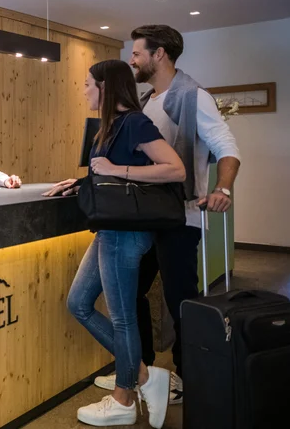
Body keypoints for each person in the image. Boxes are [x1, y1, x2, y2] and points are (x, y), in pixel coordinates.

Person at [92, 25, 241, 404]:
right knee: (133, 293)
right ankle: (136, 370)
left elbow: (226, 145)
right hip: (145, 217)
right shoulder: (147, 99)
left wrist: (222, 188)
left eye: (137, 53)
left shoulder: (193, 97)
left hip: (180, 217)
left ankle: (187, 380)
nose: (133, 60)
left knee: (180, 300)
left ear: (159, 54)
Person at [45, 60, 186, 428]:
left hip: (127, 232)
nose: (84, 91)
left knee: (123, 318)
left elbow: (174, 168)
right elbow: (108, 173)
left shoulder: (135, 122)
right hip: (110, 229)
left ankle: (124, 398)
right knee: (79, 303)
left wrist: (115, 170)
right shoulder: (108, 127)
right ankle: (143, 375)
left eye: (88, 84)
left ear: (105, 87)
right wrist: (81, 182)